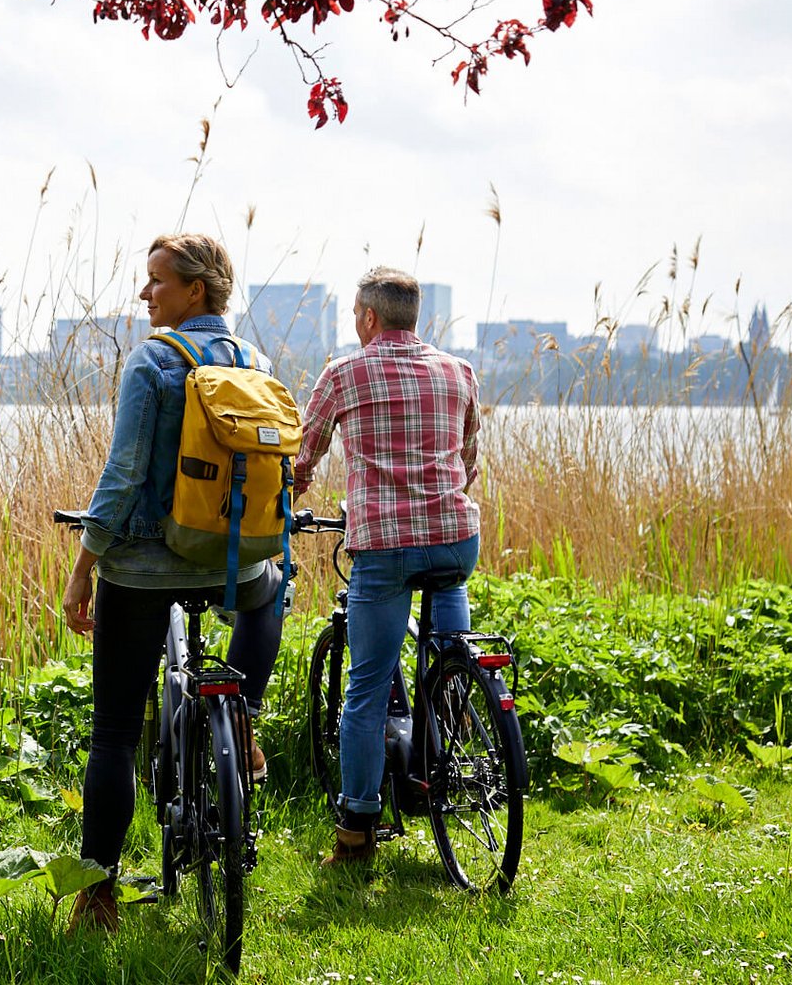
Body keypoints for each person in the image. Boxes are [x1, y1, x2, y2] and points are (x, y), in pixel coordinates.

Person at [60, 233, 288, 932]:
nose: (144, 294)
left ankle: (97, 897)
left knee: (115, 733)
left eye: (156, 281)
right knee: (272, 586)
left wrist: (83, 566)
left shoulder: (154, 362)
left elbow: (124, 476)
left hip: (145, 570)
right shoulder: (257, 362)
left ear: (195, 291)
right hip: (232, 562)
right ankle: (240, 711)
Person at [292, 266, 482, 867]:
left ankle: (355, 835)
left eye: (355, 314)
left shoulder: (346, 372)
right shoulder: (458, 372)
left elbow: (303, 455)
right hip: (456, 540)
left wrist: (285, 502)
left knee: (368, 688)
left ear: (369, 317)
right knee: (448, 649)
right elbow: (468, 455)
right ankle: (452, 737)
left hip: (385, 548)